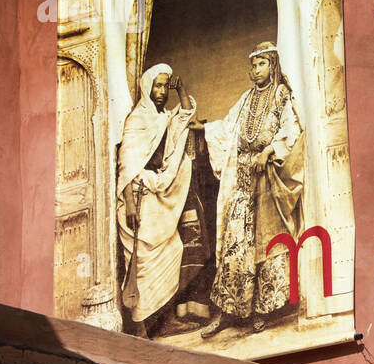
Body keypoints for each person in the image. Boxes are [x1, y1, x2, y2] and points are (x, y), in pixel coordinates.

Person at [198, 41, 304, 336]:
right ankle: (229, 312)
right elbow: (228, 127)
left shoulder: (282, 95)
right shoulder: (245, 99)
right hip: (242, 179)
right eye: (253, 65)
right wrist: (203, 128)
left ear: (272, 66)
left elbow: (292, 129)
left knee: (266, 243)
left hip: (268, 180)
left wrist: (268, 151)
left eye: (262, 64)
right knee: (236, 243)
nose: (256, 70)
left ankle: (262, 311)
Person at [116, 64, 197, 337]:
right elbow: (126, 165)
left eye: (165, 86)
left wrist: (181, 87)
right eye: (157, 86)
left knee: (173, 251)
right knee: (140, 266)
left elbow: (185, 113)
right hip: (137, 200)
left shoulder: (163, 117)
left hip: (156, 197)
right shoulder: (137, 120)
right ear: (148, 88)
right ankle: (139, 326)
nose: (161, 92)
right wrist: (128, 204)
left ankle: (166, 321)